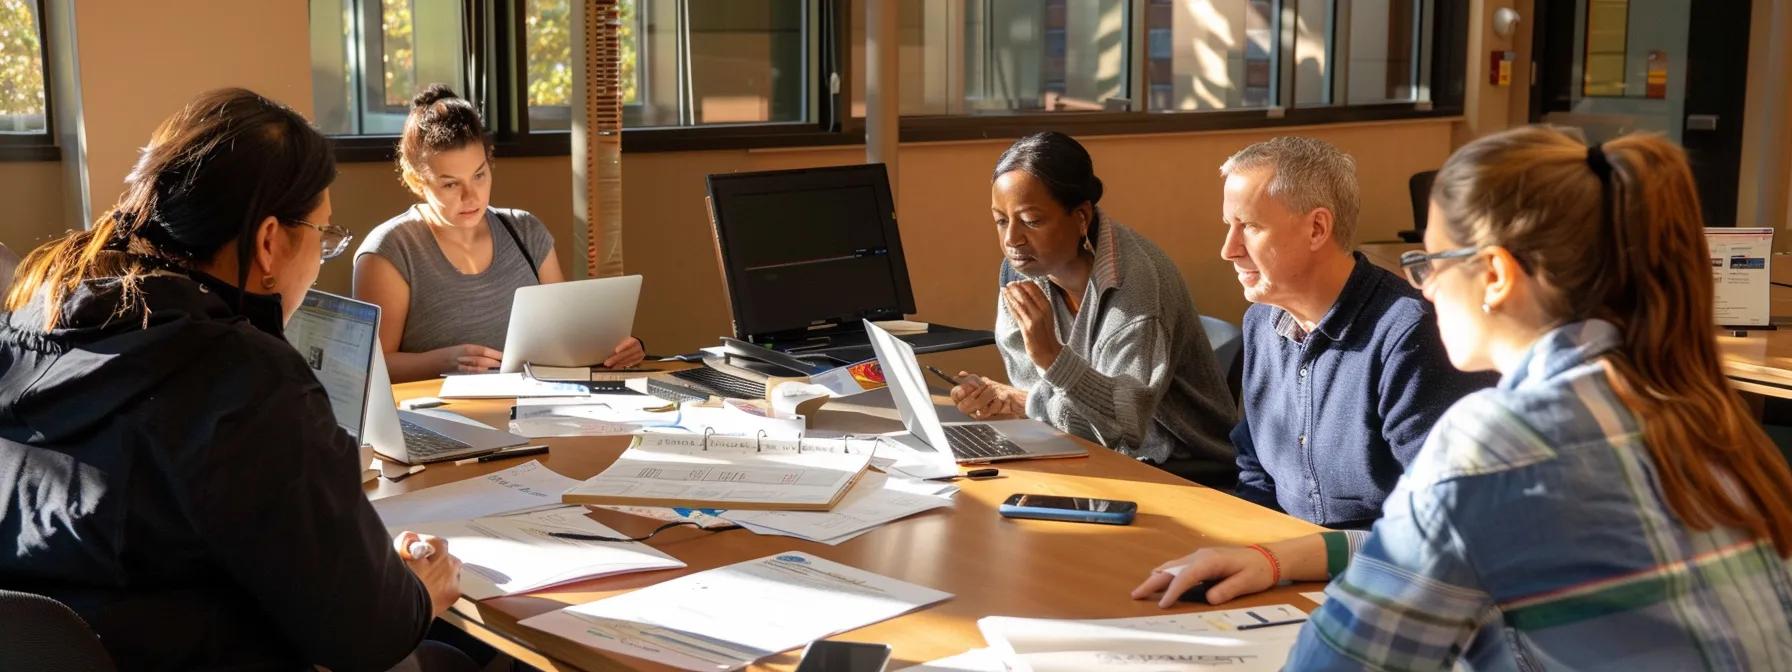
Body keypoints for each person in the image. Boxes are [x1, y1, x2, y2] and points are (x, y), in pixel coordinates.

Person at [1136, 127, 1792, 668]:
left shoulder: (1494, 440)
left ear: (1496, 277)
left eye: (1429, 263)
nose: (1421, 290)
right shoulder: (1692, 405)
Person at [0, 88, 469, 671]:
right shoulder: (244, 379)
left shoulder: (32, 319)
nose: (323, 254)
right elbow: (365, 636)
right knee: (453, 656)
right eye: (323, 236)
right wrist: (420, 591)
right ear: (270, 242)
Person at [1219, 136, 1495, 528]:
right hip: (1287, 558)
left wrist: (1297, 558)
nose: (1228, 249)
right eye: (1229, 225)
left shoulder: (1409, 335)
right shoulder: (1261, 322)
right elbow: (1257, 472)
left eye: (1249, 226)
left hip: (1385, 569)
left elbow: (1443, 518)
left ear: (1317, 229)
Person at [950, 132, 1237, 485]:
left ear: (1081, 216)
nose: (1012, 240)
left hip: (1175, 465)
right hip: (1081, 450)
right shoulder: (1020, 273)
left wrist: (1051, 358)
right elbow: (1050, 413)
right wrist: (1012, 402)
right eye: (1001, 220)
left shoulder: (1137, 288)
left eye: (1031, 220)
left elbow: (1122, 426)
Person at [354, 84, 643, 383]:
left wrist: (616, 351)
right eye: (450, 184)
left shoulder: (526, 232)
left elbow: (566, 339)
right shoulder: (390, 250)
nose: (471, 196)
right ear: (416, 180)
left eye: (479, 175)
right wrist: (442, 361)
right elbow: (369, 366)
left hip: (534, 412)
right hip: (438, 422)